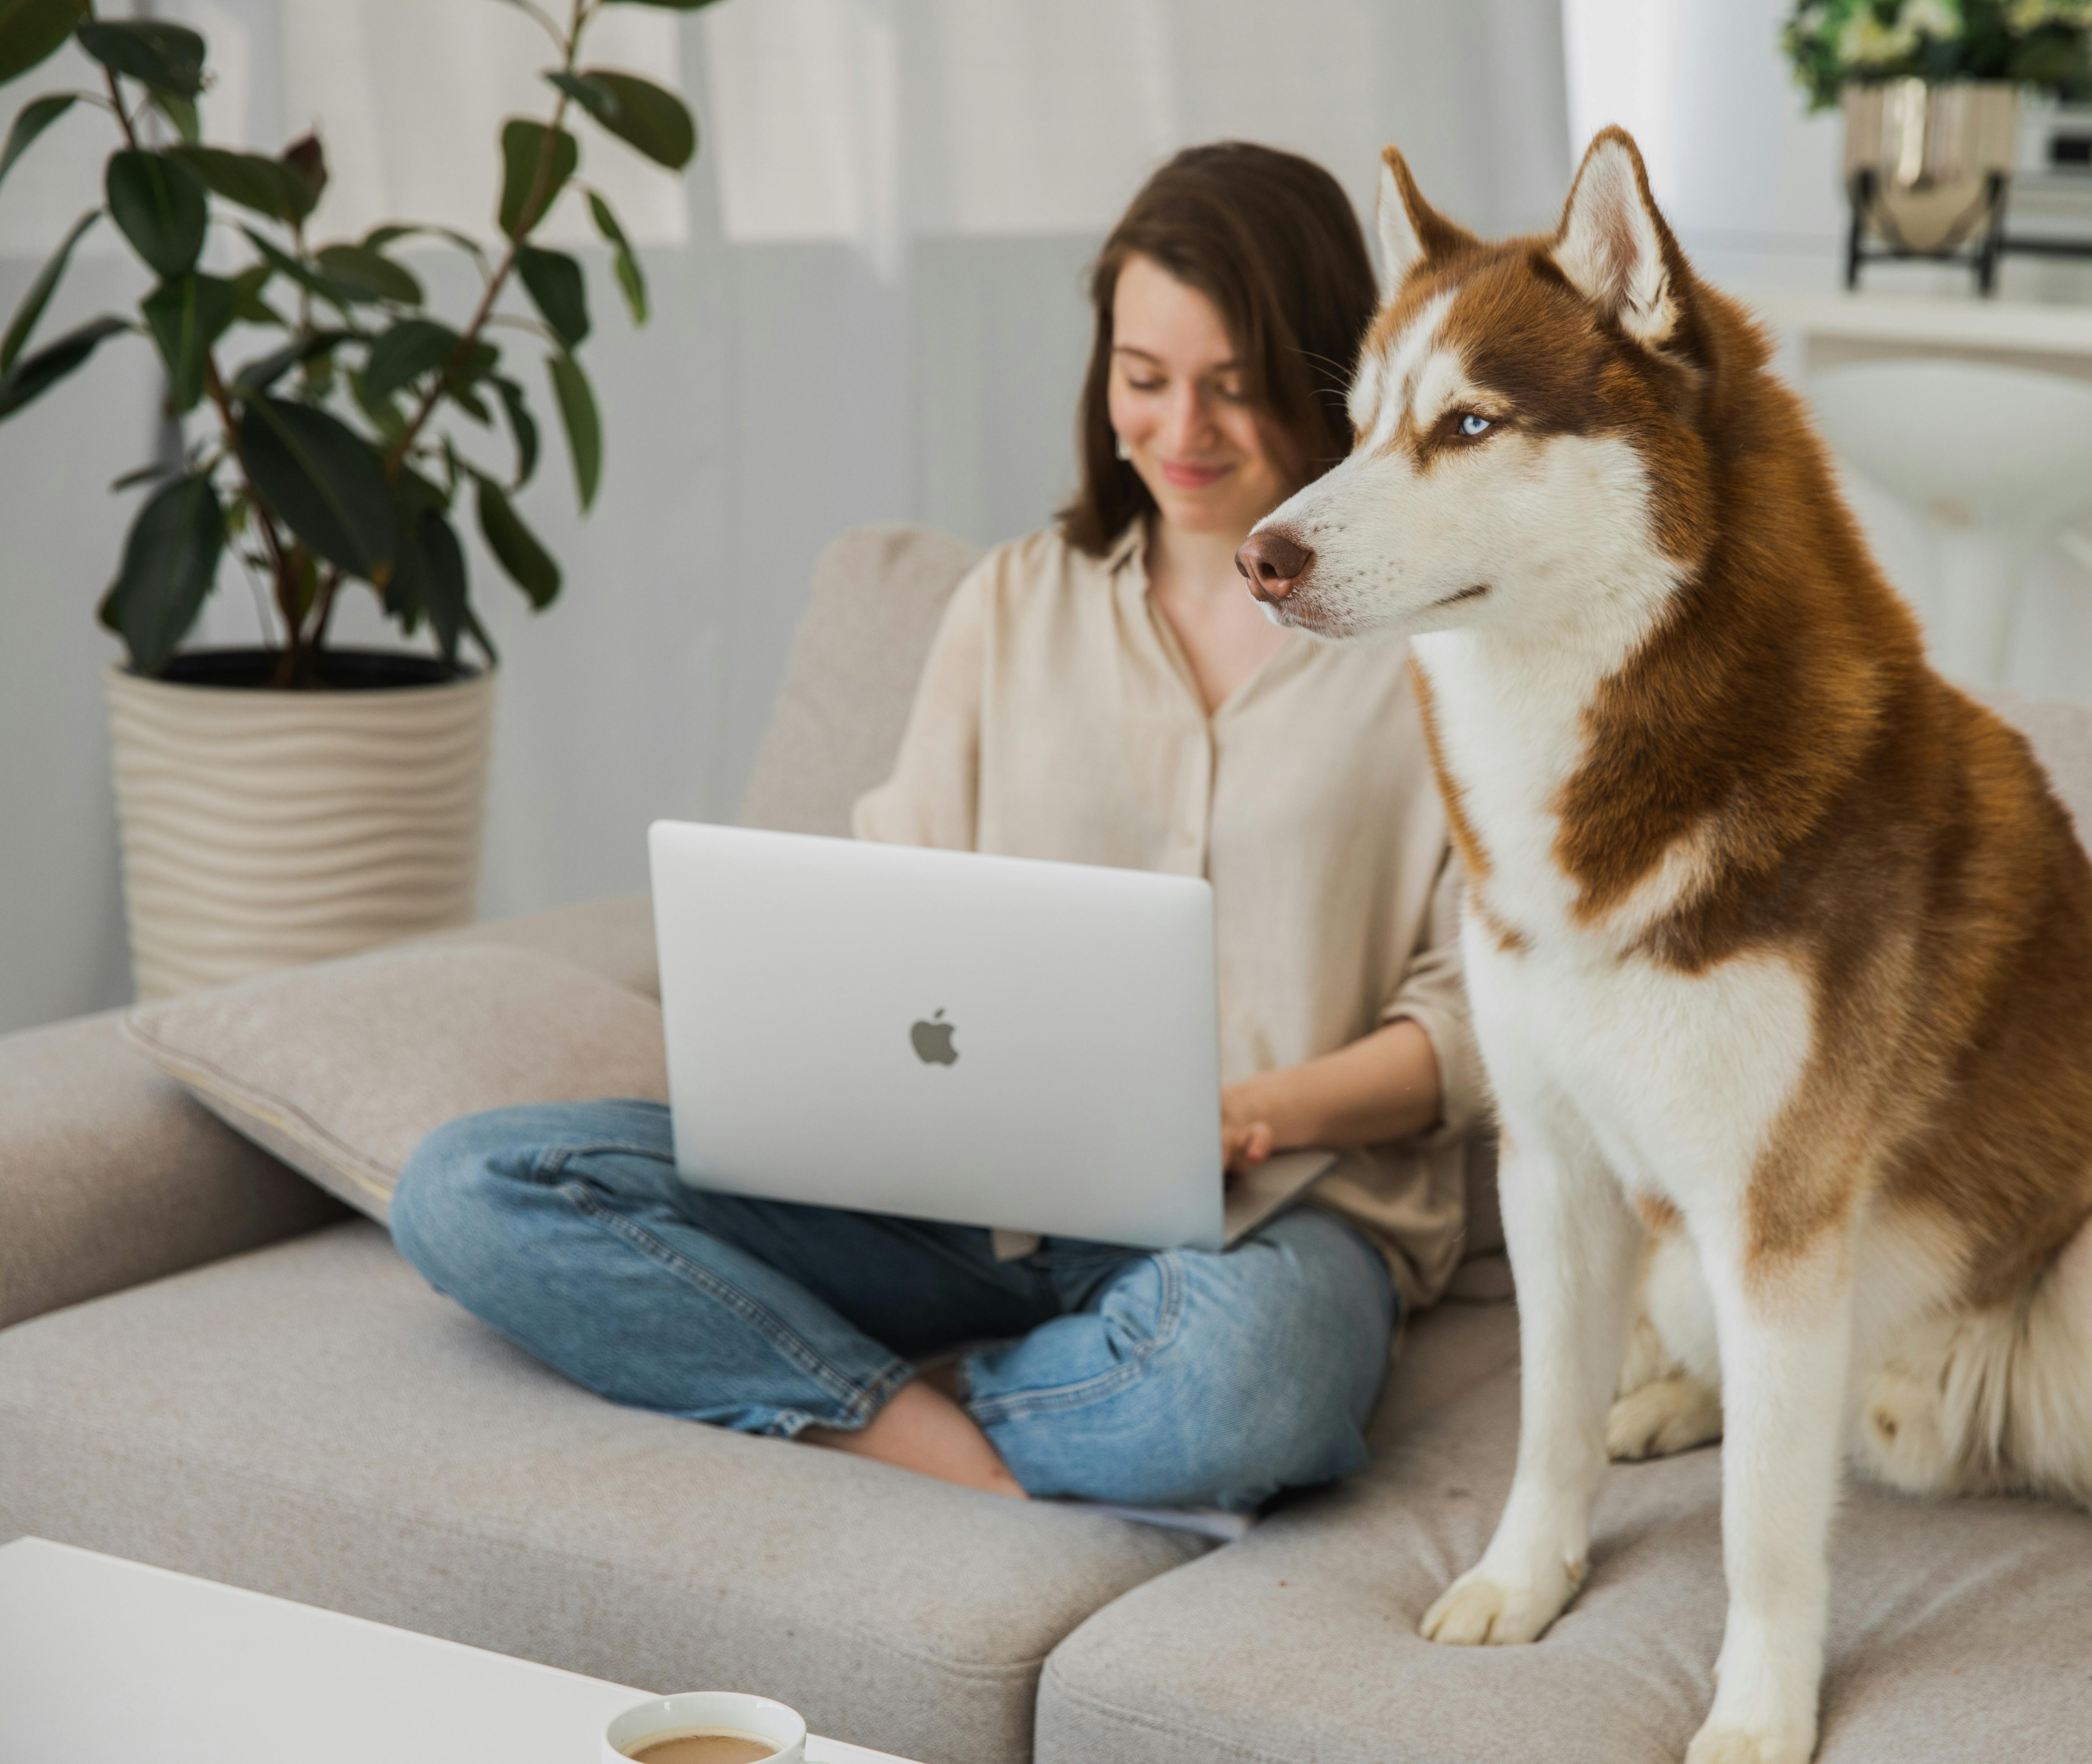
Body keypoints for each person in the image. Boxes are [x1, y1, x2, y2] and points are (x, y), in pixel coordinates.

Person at [389, 143, 1484, 1514]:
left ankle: (918, 1401)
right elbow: (897, 908)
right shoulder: (1013, 603)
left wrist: (1249, 1112)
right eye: (1144, 381)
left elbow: (1479, 1019)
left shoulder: (1440, 658)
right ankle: (922, 1434)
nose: (1182, 432)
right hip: (968, 1201)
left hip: (1278, 1220)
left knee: (1233, 1392)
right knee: (469, 1186)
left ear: (1331, 377)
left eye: (1236, 386)